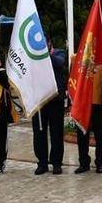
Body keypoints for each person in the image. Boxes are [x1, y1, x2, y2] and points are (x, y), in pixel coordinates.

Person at [33, 40, 66, 175]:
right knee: (39, 133)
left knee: (56, 133)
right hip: (39, 101)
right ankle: (42, 162)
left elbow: (59, 63)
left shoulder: (59, 52)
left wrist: (45, 54)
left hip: (55, 100)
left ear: (49, 43)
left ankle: (56, 163)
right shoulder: (33, 56)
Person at [74, 64, 102, 174]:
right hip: (82, 103)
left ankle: (100, 162)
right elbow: (73, 77)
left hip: (97, 103)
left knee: (100, 135)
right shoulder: (78, 59)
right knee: (82, 135)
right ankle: (84, 163)